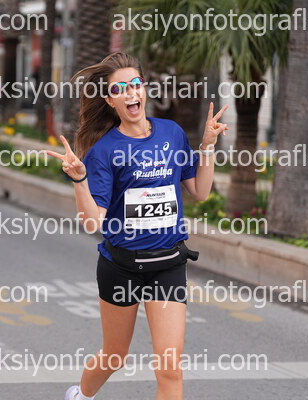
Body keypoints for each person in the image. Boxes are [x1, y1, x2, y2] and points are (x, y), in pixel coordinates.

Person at [45, 53, 228, 400]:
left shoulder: (171, 133)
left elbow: (200, 191)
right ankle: (80, 395)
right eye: (120, 89)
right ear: (109, 100)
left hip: (167, 263)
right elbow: (93, 221)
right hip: (121, 266)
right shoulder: (104, 151)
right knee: (115, 356)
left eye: (135, 84)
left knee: (170, 367)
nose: (130, 93)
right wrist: (80, 180)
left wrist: (207, 145)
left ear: (144, 89)